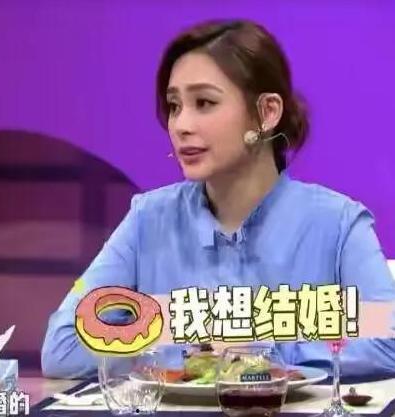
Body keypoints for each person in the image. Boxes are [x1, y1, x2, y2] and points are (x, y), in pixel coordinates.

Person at [41, 19, 395, 379]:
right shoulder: (148, 219)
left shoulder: (337, 224)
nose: (181, 125)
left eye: (204, 103)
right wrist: (188, 331)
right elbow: (63, 347)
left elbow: (389, 341)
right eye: (174, 106)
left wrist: (257, 345)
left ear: (267, 112)